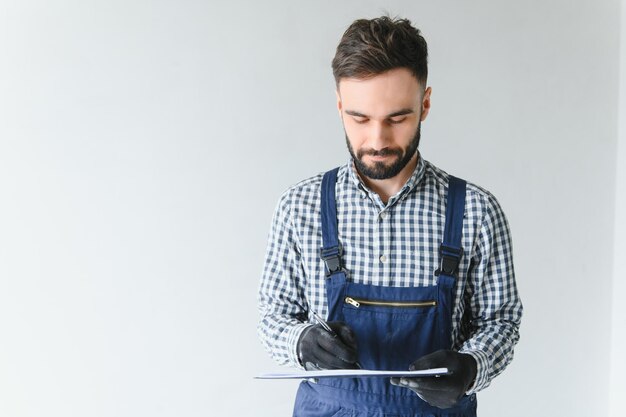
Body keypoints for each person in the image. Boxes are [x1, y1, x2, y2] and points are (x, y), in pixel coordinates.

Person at [257, 15, 522, 417]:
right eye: (359, 119)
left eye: (397, 118)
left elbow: (500, 321)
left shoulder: (477, 212)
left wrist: (470, 368)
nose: (377, 141)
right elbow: (273, 316)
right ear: (340, 105)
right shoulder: (300, 207)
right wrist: (302, 341)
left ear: (425, 104)